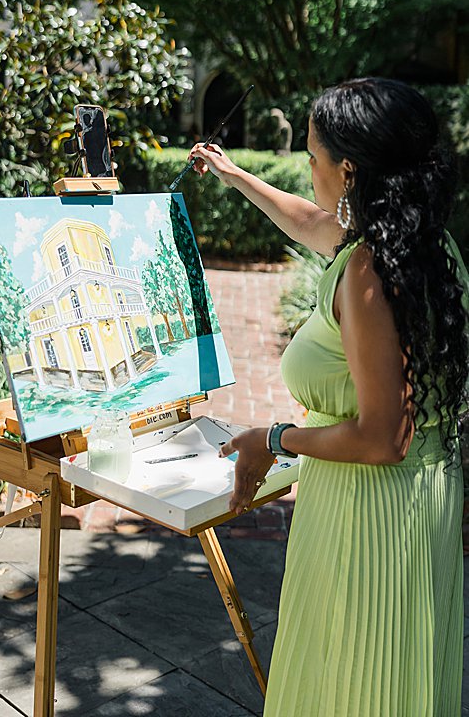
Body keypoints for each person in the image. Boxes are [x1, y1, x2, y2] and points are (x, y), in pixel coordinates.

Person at [191, 78, 468, 715]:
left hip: (370, 512)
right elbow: (311, 220)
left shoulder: (368, 272)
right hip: (420, 501)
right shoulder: (424, 245)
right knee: (397, 679)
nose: (306, 169)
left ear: (348, 169)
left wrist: (274, 440)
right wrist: (234, 175)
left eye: (312, 157)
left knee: (353, 679)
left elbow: (381, 438)